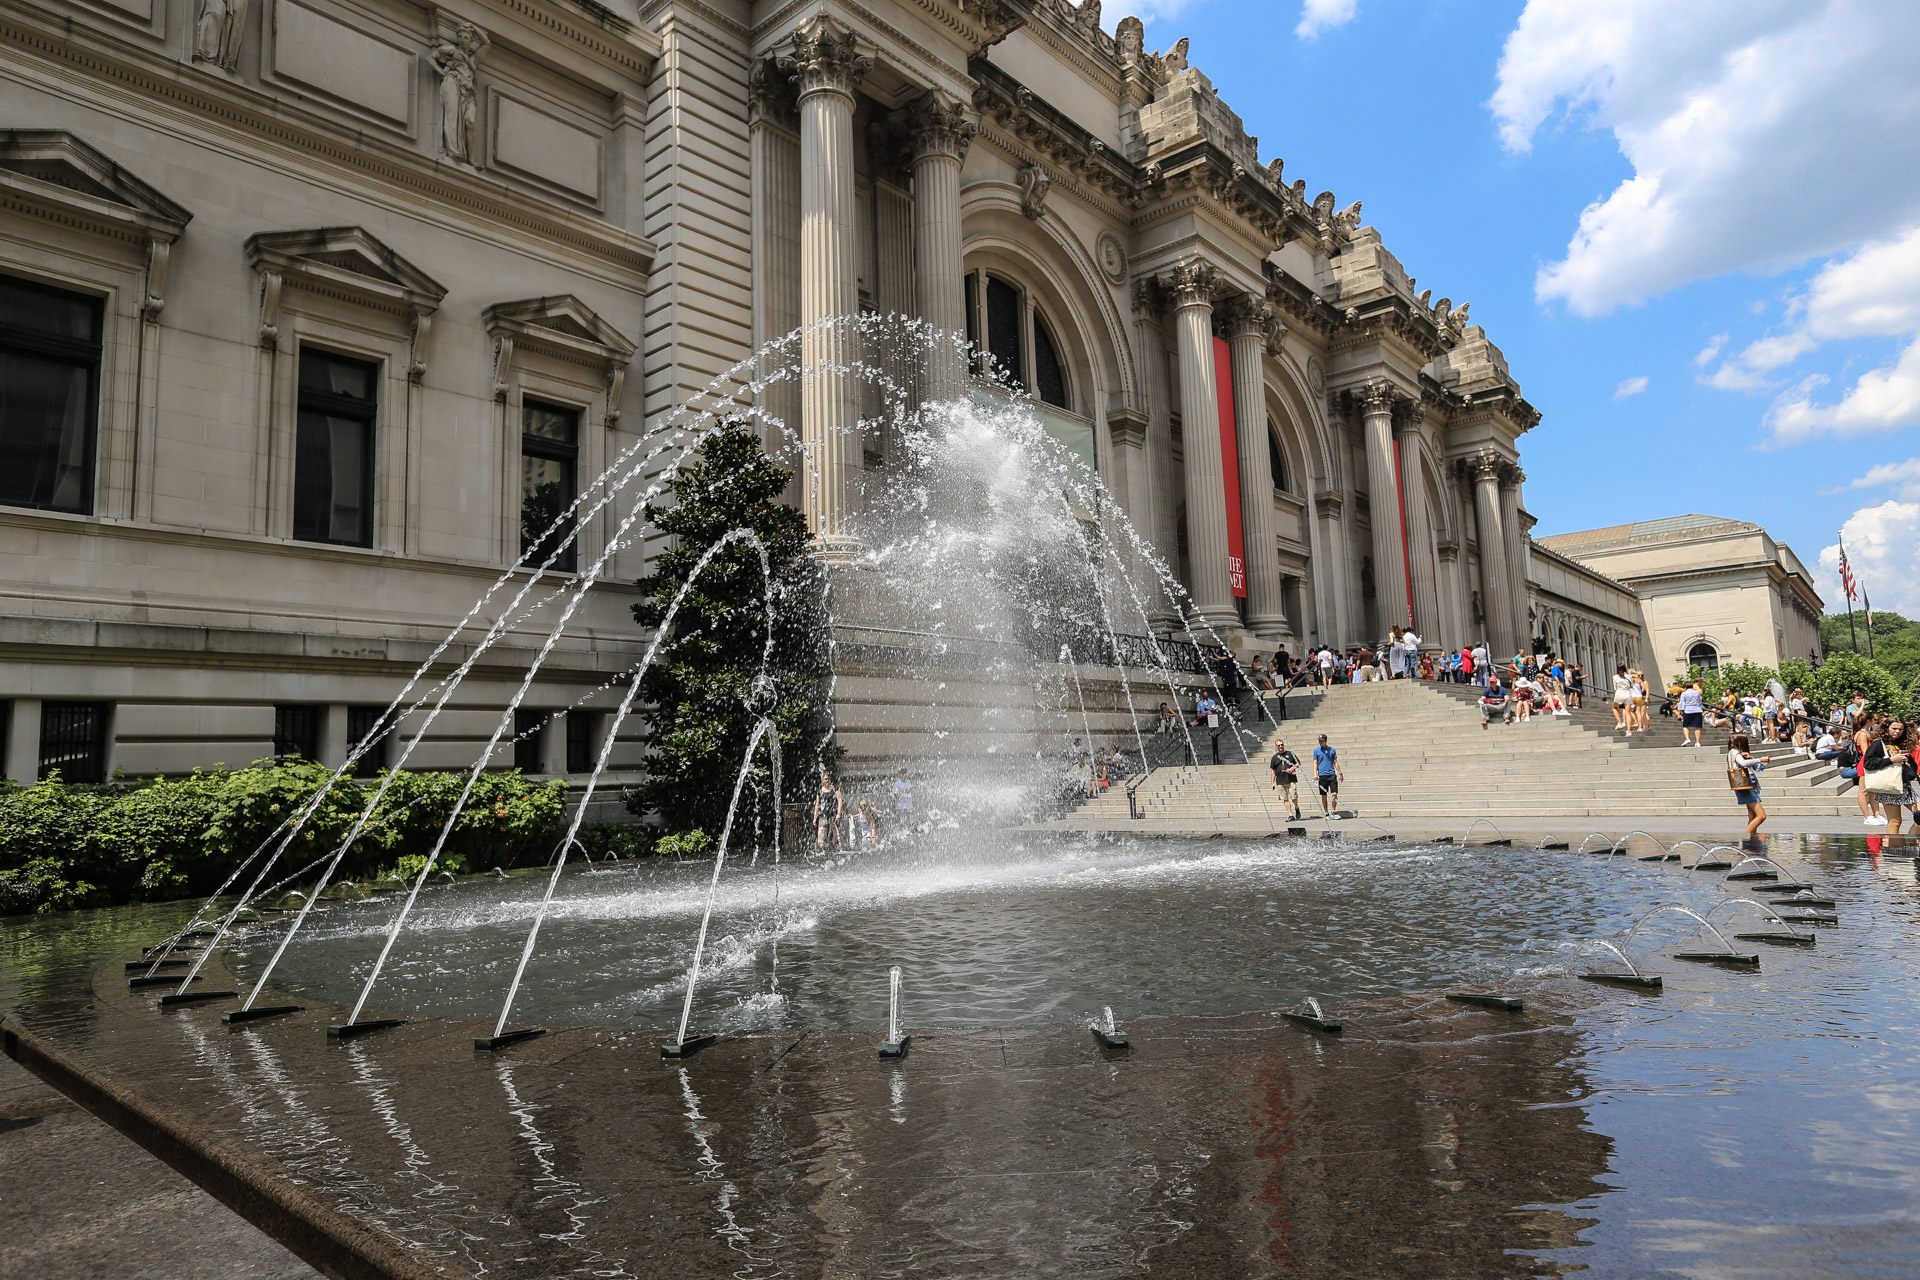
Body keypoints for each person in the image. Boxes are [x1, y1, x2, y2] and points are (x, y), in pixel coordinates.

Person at [1870, 719, 1917, 833]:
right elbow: (1868, 763)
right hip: (1889, 786)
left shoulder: (1900, 743)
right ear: (1886, 728)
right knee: (1895, 821)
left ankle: (1912, 843)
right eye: (1894, 728)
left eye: (1900, 729)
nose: (1897, 731)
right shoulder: (1878, 743)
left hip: (1904, 785)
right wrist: (1892, 759)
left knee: (1918, 817)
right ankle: (1894, 849)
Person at [1727, 732, 1768, 838]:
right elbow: (1743, 764)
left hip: (1751, 783)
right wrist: (1760, 759)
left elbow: (1759, 769)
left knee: (1753, 816)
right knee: (1761, 816)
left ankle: (1751, 842)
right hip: (1744, 785)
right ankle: (1745, 837)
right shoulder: (1733, 751)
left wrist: (1752, 757)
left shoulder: (1741, 753)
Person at [1270, 737, 1302, 822]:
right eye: (1278, 745)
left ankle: (1297, 808)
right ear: (1276, 747)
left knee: (1293, 796)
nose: (1280, 746)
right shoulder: (1274, 757)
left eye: (1282, 745)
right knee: (1285, 798)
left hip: (1291, 779)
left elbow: (1298, 763)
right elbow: (1273, 771)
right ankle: (1290, 814)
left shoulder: (1290, 754)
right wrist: (1272, 782)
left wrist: (1293, 767)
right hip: (1280, 780)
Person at [1313, 733, 1343, 817]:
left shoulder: (1332, 750)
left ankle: (1333, 810)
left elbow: (1335, 762)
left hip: (1331, 774)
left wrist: (1340, 773)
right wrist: (1315, 774)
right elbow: (1315, 763)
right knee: (1324, 795)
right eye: (1319, 741)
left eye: (1322, 741)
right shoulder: (1317, 751)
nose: (1320, 742)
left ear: (1325, 741)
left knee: (1334, 793)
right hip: (1322, 775)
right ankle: (1326, 812)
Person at [813, 769, 844, 852]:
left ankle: (839, 850)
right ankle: (820, 851)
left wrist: (838, 814)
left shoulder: (834, 788)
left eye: (828, 779)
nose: (827, 780)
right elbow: (817, 804)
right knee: (821, 837)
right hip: (823, 815)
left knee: (837, 836)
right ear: (822, 780)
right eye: (825, 779)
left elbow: (840, 800)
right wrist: (815, 817)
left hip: (833, 815)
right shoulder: (820, 790)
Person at [1677, 678, 1706, 746]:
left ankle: (1687, 739)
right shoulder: (1697, 693)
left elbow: (1682, 703)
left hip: (1688, 710)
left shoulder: (1684, 693)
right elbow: (1699, 701)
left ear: (1685, 687)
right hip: (1697, 710)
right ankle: (1697, 742)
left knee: (1685, 726)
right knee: (1697, 727)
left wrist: (1680, 711)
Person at [1610, 664, 1633, 731]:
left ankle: (1619, 723)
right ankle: (1628, 731)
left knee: (1614, 707)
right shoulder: (1629, 676)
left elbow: (1615, 687)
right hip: (1627, 694)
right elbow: (1631, 686)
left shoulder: (1615, 677)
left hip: (1619, 693)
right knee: (1628, 713)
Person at [891, 767, 914, 832]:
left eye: (906, 773)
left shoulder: (908, 782)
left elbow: (910, 791)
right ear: (900, 775)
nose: (905, 775)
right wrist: (904, 792)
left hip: (909, 806)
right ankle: (903, 834)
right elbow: (896, 796)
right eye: (903, 774)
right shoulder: (897, 784)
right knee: (902, 823)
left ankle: (909, 833)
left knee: (910, 823)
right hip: (901, 807)